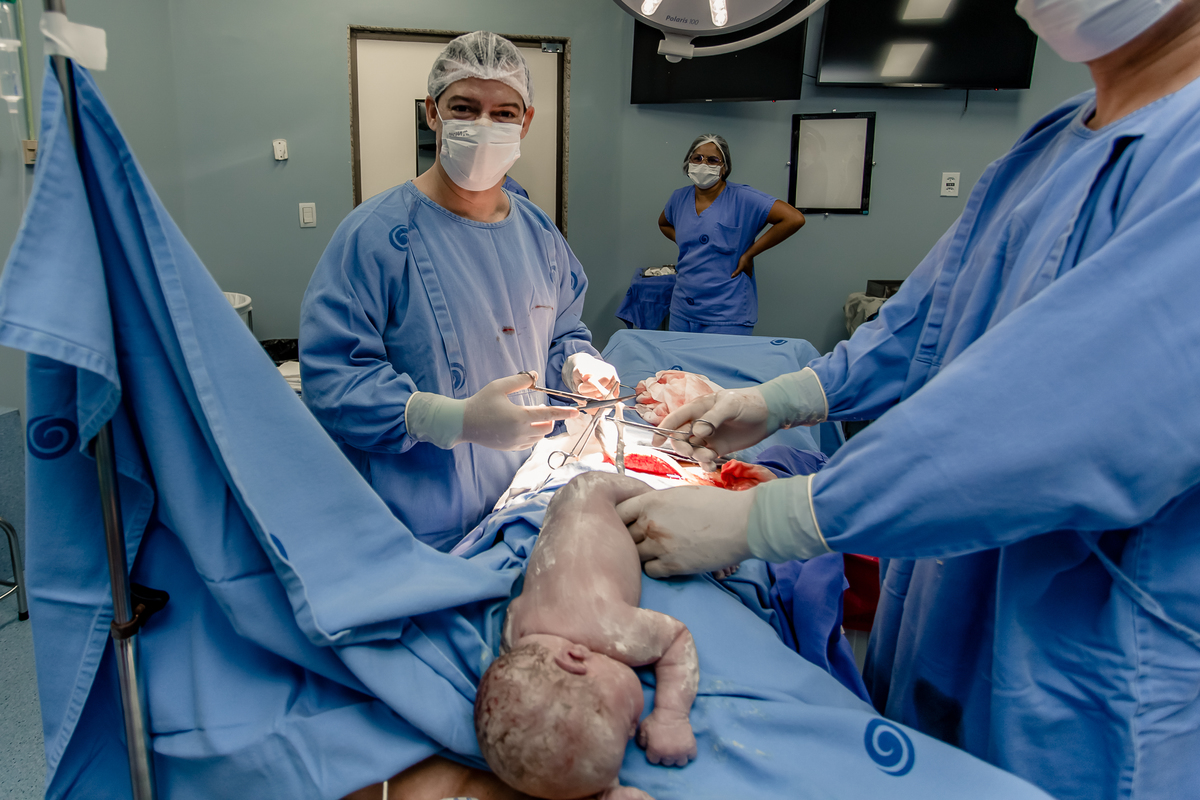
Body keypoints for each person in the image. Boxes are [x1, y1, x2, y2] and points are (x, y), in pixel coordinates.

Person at [617, 1, 1200, 798]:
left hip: (1090, 669)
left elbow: (1048, 423)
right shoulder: (1052, 145)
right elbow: (924, 321)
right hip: (943, 607)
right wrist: (782, 399)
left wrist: (770, 518)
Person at [301, 32, 618, 552]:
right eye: (465, 108)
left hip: (525, 501)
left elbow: (562, 330)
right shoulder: (375, 235)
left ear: (526, 121)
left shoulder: (540, 235)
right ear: (434, 113)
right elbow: (334, 377)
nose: (484, 126)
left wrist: (578, 364)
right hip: (418, 519)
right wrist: (450, 419)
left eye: (504, 113)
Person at [475, 472, 697, 800]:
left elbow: (678, 640)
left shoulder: (612, 628)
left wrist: (671, 716)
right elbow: (561, 730)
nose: (634, 729)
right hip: (562, 505)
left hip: (601, 491)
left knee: (673, 520)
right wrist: (603, 786)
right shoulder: (518, 634)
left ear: (576, 658)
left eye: (627, 722)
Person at [657, 135, 805, 334]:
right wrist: (687, 243)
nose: (703, 164)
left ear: (724, 167)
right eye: (697, 158)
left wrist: (749, 254)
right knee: (677, 356)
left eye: (712, 160)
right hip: (683, 310)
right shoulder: (679, 198)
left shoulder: (743, 198)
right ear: (688, 162)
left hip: (726, 313)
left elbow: (794, 218)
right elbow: (664, 223)